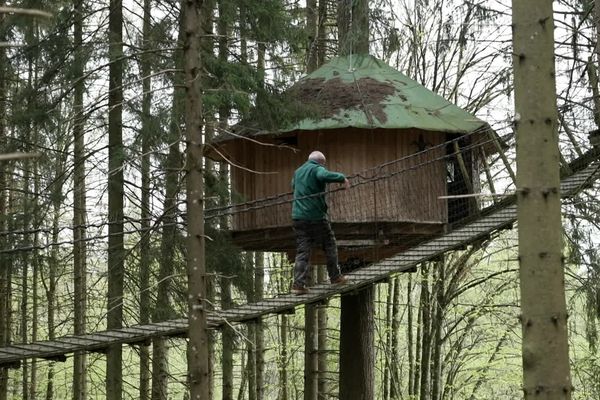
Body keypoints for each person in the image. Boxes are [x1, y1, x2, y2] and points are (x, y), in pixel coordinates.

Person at [290, 150, 350, 295]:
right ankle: (335, 277)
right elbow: (322, 175)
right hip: (315, 217)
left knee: (303, 251)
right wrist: (341, 178)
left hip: (298, 217)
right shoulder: (317, 168)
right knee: (329, 244)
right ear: (320, 162)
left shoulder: (298, 172)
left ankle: (298, 285)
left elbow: (293, 186)